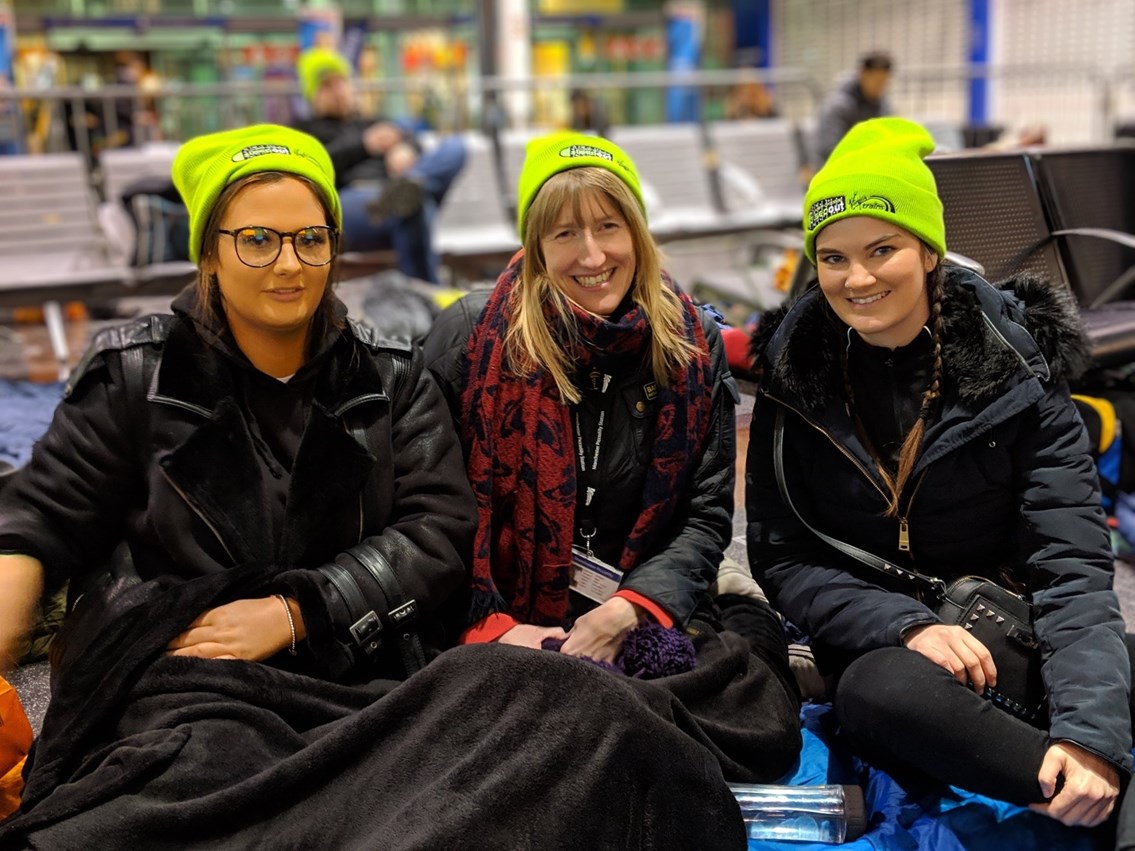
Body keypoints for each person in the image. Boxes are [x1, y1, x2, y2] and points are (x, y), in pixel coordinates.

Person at [0, 124, 754, 849]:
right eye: (256, 239)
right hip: (195, 681)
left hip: (359, 671)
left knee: (577, 713)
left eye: (309, 238)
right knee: (217, 779)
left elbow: (435, 529)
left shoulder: (388, 376)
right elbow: (37, 516)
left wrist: (300, 609)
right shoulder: (136, 375)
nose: (287, 264)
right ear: (209, 253)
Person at [746, 117, 1133, 831]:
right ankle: (1065, 789)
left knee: (1109, 688)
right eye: (831, 257)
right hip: (891, 654)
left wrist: (1091, 740)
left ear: (927, 250)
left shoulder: (1017, 366)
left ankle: (1087, 780)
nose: (856, 278)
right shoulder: (790, 376)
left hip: (1015, 633)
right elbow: (781, 555)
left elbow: (1071, 564)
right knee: (874, 691)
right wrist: (904, 625)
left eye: (881, 249)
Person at [422, 132, 803, 784]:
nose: (592, 254)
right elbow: (433, 505)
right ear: (536, 246)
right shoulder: (469, 334)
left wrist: (632, 608)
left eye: (608, 226)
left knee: (763, 725)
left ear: (638, 233)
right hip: (506, 616)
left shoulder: (689, 340)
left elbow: (703, 513)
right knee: (477, 719)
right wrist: (487, 623)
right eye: (564, 233)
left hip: (635, 599)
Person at [293, 47, 466, 284]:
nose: (338, 92)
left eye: (341, 82)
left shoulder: (371, 121)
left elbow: (412, 138)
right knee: (416, 206)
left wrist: (407, 149)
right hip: (352, 198)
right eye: (327, 86)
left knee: (455, 147)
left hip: (394, 186)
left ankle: (410, 184)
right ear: (313, 96)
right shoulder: (306, 131)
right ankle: (427, 291)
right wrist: (364, 146)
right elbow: (315, 166)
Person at [814, 51, 893, 166]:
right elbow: (828, 149)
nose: (880, 86)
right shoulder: (838, 105)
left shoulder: (883, 106)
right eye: (876, 79)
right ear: (862, 74)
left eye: (884, 81)